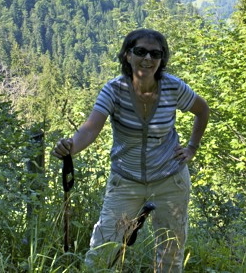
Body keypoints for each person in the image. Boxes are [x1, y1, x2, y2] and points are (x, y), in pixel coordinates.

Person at [52, 28, 209, 272]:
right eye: (140, 51)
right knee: (103, 249)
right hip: (126, 180)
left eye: (155, 54)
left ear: (162, 59)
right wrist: (71, 147)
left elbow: (202, 110)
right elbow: (91, 128)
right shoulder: (114, 90)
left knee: (170, 254)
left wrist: (191, 148)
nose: (148, 58)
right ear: (127, 55)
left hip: (171, 180)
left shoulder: (172, 87)